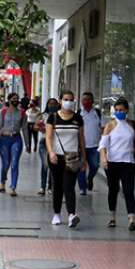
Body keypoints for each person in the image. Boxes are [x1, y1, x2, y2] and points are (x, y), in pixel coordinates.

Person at [99, 97, 135, 231]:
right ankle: (112, 216)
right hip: (112, 162)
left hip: (128, 162)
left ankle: (131, 220)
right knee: (113, 190)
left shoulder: (133, 125)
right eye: (117, 110)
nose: (119, 112)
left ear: (127, 110)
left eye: (121, 110)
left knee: (128, 190)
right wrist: (103, 158)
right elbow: (103, 144)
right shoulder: (110, 125)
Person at [46, 90, 87, 227]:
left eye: (71, 99)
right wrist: (51, 152)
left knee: (69, 186)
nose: (68, 102)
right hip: (56, 157)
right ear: (60, 100)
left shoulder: (78, 118)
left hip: (73, 158)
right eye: (66, 99)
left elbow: (81, 139)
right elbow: (49, 137)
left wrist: (84, 159)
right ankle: (56, 214)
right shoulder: (52, 118)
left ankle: (71, 215)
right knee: (57, 186)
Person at [0, 93, 30, 197]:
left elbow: (25, 129)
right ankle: (2, 182)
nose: (16, 100)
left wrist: (28, 144)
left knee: (14, 163)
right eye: (14, 99)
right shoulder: (3, 112)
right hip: (4, 139)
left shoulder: (23, 113)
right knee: (5, 163)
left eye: (17, 99)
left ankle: (13, 187)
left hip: (16, 139)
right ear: (9, 100)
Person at [78, 92, 103, 195]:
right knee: (81, 168)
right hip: (81, 146)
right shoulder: (79, 113)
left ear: (92, 101)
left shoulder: (97, 113)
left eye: (89, 99)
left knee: (95, 166)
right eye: (84, 99)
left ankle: (90, 178)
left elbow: (103, 127)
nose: (86, 101)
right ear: (81, 101)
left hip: (94, 146)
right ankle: (82, 188)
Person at [36, 98, 59, 196]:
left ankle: (50, 186)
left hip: (55, 143)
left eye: (54, 104)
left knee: (52, 165)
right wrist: (41, 127)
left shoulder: (60, 116)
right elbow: (35, 126)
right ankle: (42, 187)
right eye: (50, 104)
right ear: (47, 105)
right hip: (44, 142)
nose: (52, 106)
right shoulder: (42, 115)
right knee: (45, 164)